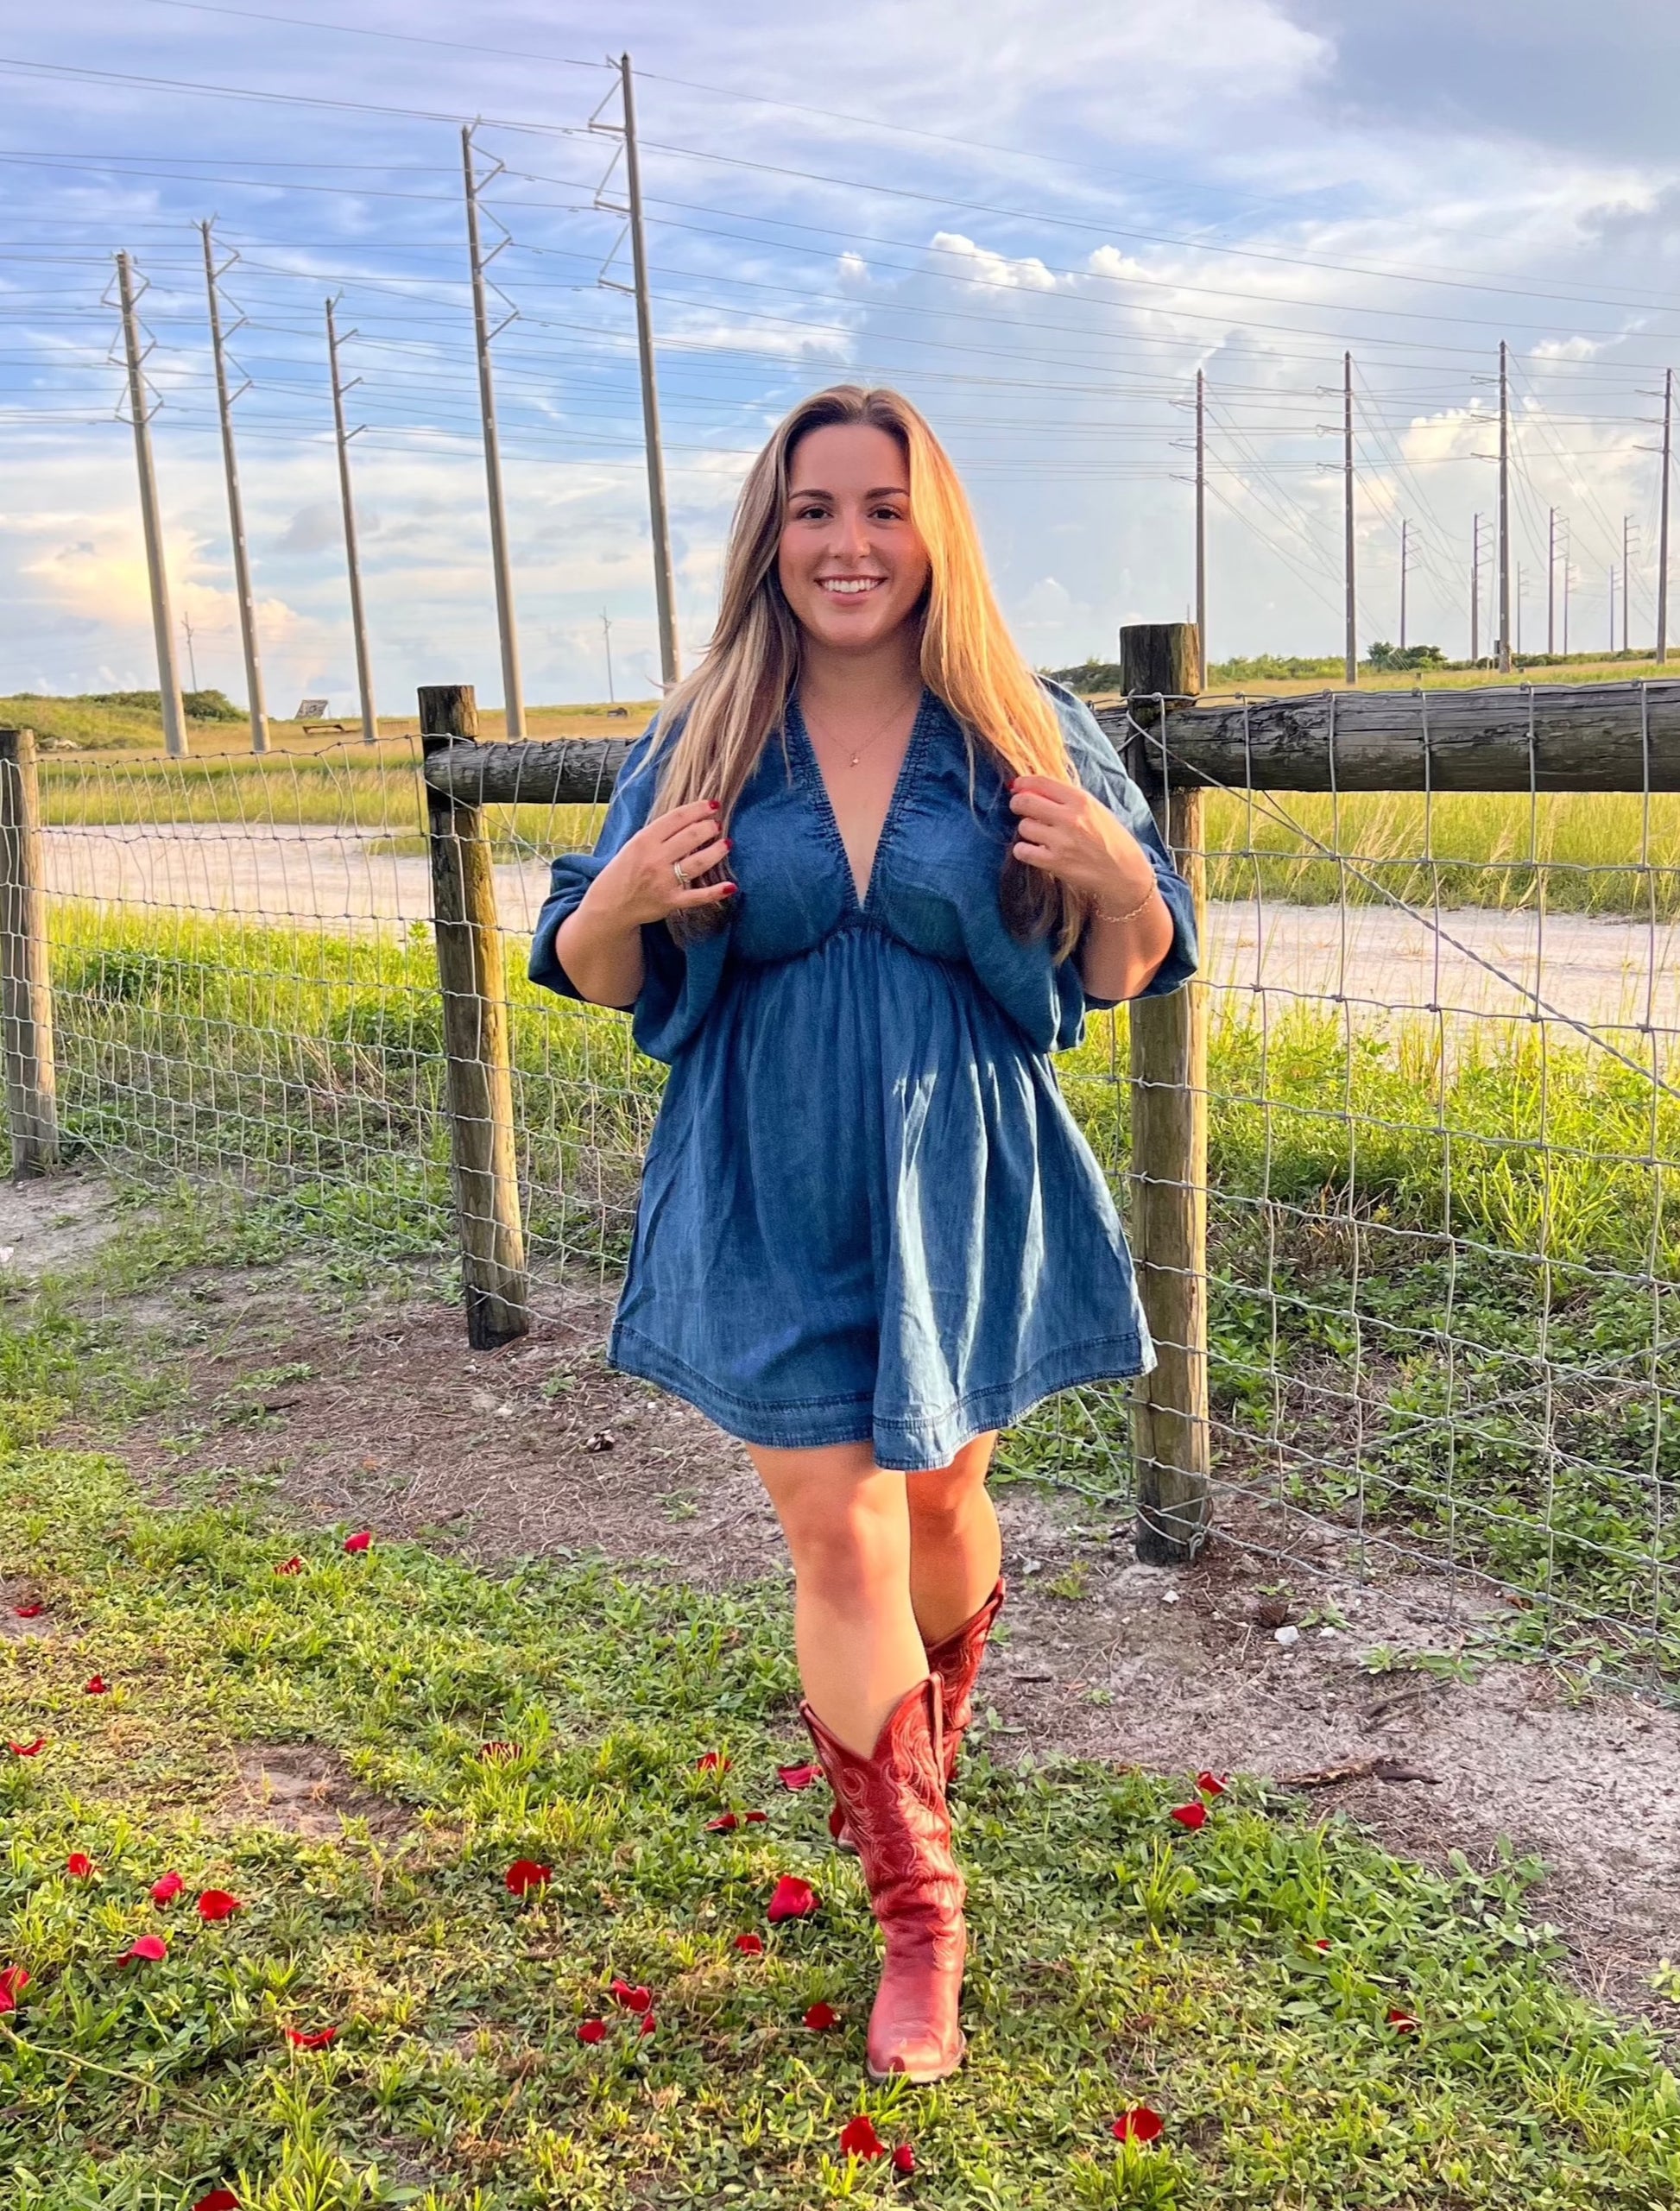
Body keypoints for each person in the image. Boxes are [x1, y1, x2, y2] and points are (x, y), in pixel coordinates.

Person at [530, 384, 1197, 2086]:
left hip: (959, 1160)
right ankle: (921, 1913)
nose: (847, 542)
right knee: (836, 1529)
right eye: (814, 509)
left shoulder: (1014, 729)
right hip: (762, 1160)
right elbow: (598, 968)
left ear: (931, 531)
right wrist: (614, 905)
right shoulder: (702, 736)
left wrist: (1118, 875)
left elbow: (1124, 966)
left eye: (882, 507)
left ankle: (915, 1758)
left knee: (942, 1496)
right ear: (770, 535)